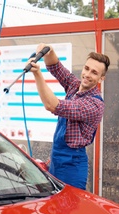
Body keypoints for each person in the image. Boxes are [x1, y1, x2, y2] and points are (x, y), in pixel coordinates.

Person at [28, 43, 110, 190]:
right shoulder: (74, 86)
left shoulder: (94, 105)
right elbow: (56, 67)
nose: (87, 74)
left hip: (72, 166)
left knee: (69, 210)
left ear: (101, 78)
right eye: (86, 68)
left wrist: (37, 74)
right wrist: (48, 50)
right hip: (56, 160)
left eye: (94, 72)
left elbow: (52, 105)